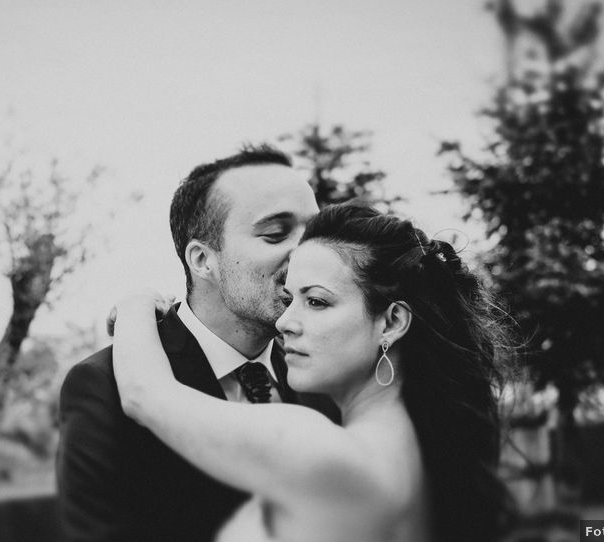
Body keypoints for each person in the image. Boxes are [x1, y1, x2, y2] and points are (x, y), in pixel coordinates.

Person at [112, 202, 516, 542]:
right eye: (290, 299)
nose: (285, 322)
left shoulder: (324, 451)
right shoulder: (424, 448)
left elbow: (144, 395)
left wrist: (136, 304)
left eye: (317, 302)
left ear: (391, 322)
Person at [55, 145, 341, 542]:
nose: (307, 253)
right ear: (203, 260)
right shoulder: (103, 385)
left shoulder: (333, 374)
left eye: (312, 234)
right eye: (276, 234)